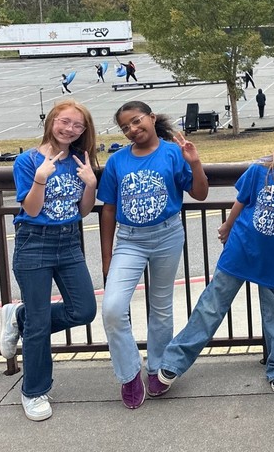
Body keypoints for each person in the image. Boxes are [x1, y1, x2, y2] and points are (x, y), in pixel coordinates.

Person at [156, 119, 274, 395]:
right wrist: (227, 225)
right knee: (211, 306)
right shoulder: (260, 169)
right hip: (241, 249)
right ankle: (174, 361)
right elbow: (242, 200)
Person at [99, 101, 210, 409]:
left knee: (161, 306)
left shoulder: (173, 153)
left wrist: (195, 162)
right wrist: (107, 257)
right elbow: (108, 209)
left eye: (137, 121)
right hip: (129, 240)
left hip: (167, 235)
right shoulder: (117, 161)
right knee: (112, 308)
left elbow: (200, 193)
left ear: (151, 117)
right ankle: (129, 373)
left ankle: (157, 366)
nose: (133, 130)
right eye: (125, 127)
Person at [0, 100, 99, 421]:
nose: (70, 129)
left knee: (84, 309)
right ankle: (34, 390)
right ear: (51, 121)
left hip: (69, 241)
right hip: (34, 243)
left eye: (78, 125)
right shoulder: (27, 161)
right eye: (64, 121)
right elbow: (31, 209)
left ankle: (19, 317)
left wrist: (91, 183)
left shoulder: (80, 160)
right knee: (39, 323)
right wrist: (40, 178)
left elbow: (83, 210)